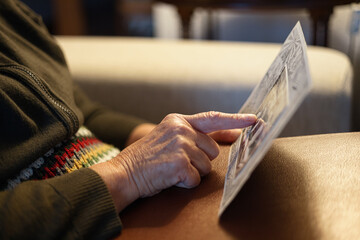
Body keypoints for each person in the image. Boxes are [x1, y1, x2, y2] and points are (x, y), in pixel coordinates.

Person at [0, 0, 257, 239]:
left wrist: (167, 138)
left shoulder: (12, 13)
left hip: (129, 193)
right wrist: (130, 171)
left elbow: (83, 113)